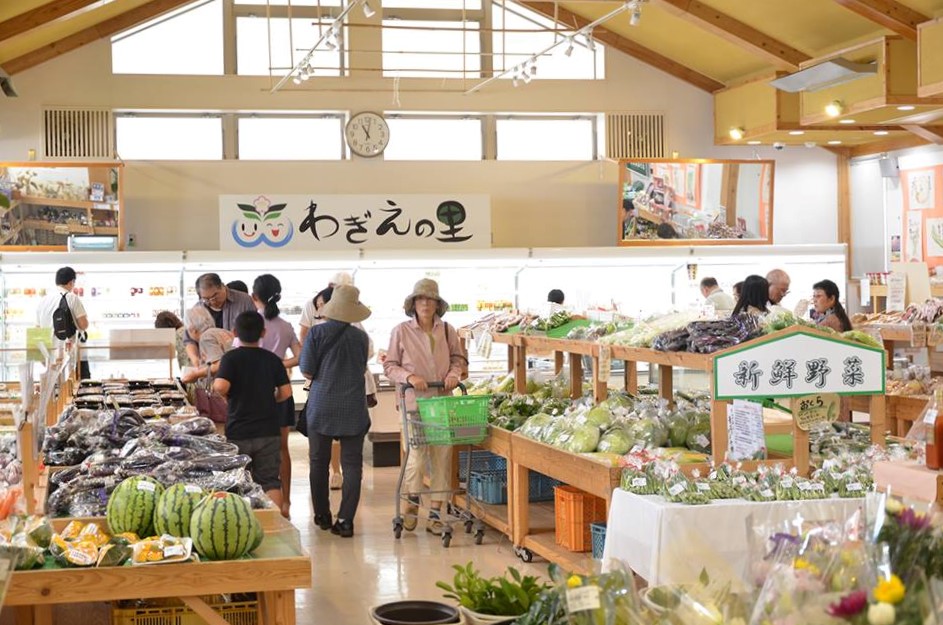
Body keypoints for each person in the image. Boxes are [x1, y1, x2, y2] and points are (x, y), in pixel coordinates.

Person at [384, 279, 466, 535]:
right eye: (420, 299)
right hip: (413, 404)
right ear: (413, 304)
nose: (425, 304)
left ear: (437, 304)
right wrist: (409, 377)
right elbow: (390, 366)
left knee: (442, 456)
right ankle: (411, 501)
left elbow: (458, 359)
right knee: (417, 456)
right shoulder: (401, 331)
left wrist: (454, 374)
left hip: (440, 402)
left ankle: (435, 513)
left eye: (430, 299)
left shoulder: (447, 330)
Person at [300, 285, 372, 538]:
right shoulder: (361, 338)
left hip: (322, 405)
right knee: (352, 466)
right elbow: (361, 368)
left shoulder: (316, 333)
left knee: (318, 462)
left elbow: (307, 370)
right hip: (354, 406)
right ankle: (345, 520)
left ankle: (322, 514)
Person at [213, 311, 292, 512]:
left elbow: (220, 386)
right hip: (268, 430)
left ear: (234, 332)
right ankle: (274, 523)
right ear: (263, 332)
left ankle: (243, 521)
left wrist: (229, 398)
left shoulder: (230, 358)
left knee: (238, 481)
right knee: (270, 481)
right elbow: (286, 392)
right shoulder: (272, 359)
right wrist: (271, 400)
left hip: (239, 430)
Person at [250, 274, 302, 519]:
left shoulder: (250, 323)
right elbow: (301, 357)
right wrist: (280, 364)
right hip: (282, 391)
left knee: (254, 447)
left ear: (254, 296)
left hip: (254, 394)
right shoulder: (285, 325)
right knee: (282, 448)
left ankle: (258, 502)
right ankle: (286, 502)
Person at [184, 273, 255, 367]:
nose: (212, 301)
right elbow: (189, 340)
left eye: (215, 296)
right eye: (206, 299)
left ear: (222, 286)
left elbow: (255, 331)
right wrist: (195, 359)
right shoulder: (198, 309)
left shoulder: (244, 301)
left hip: (242, 361)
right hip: (210, 364)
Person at [36, 266, 91, 379]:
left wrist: (41, 357)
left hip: (49, 354)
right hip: (68, 353)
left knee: (53, 386)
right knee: (70, 385)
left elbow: (37, 329)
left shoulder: (43, 301)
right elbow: (83, 325)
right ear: (71, 282)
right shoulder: (72, 298)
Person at [180, 305, 233, 384]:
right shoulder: (223, 332)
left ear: (192, 329)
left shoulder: (206, 338)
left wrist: (196, 374)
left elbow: (218, 366)